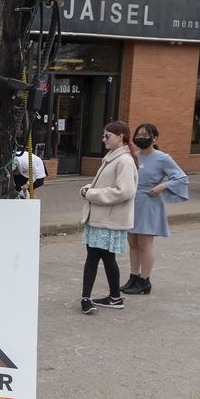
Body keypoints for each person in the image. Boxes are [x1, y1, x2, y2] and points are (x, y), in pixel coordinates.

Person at [122, 124, 189, 296]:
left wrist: (163, 186)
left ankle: (145, 280)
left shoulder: (163, 158)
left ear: (155, 138)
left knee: (145, 244)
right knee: (133, 243)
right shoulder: (133, 156)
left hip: (149, 201)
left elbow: (181, 177)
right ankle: (133, 277)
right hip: (133, 201)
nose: (142, 137)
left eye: (146, 134)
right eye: (139, 134)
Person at [79, 121, 138, 314]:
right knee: (102, 258)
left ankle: (89, 299)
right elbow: (111, 185)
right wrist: (90, 188)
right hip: (104, 217)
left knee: (97, 258)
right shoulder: (115, 157)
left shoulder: (124, 160)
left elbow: (124, 192)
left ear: (121, 136)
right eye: (103, 136)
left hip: (107, 219)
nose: (103, 140)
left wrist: (91, 194)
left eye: (108, 136)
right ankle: (112, 297)